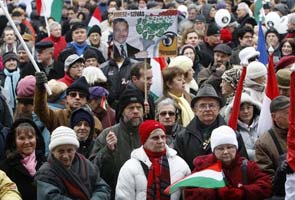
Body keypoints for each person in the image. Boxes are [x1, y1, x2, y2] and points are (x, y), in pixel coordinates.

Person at [184, 125, 272, 200]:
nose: (225, 152)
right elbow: (189, 193)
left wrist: (242, 192)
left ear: (236, 148)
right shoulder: (203, 168)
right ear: (213, 151)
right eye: (220, 148)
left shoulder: (247, 166)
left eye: (230, 147)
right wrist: (215, 192)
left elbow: (266, 186)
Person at [90, 88, 144, 199]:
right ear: (122, 111)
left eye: (139, 107)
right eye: (131, 108)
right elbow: (93, 169)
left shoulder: (149, 133)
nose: (135, 111)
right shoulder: (107, 134)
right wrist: (108, 150)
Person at [115, 120, 191, 200]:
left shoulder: (180, 164)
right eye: (155, 138)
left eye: (163, 137)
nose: (161, 141)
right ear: (144, 140)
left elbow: (188, 194)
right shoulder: (130, 167)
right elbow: (123, 197)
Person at [35, 126, 111, 200]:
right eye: (61, 151)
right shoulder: (45, 173)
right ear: (53, 151)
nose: (65, 156)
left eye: (69, 150)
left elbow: (102, 187)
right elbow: (50, 196)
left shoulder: (86, 164)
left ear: (75, 150)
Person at [175, 84, 225, 169]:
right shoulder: (183, 137)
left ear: (218, 108)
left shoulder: (231, 133)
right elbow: (179, 168)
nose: (207, 109)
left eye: (211, 105)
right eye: (202, 106)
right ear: (194, 110)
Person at [34, 73, 103, 134]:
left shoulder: (95, 121)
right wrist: (40, 88)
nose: (77, 97)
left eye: (81, 95)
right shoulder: (58, 116)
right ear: (66, 98)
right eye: (73, 94)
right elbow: (40, 110)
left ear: (86, 100)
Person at [0, 118, 46, 200]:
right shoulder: (5, 167)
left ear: (36, 139)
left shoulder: (45, 163)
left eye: (30, 137)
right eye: (22, 138)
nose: (27, 142)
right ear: (14, 141)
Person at [255, 96, 290, 180]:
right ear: (274, 117)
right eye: (288, 113)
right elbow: (267, 178)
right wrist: (281, 172)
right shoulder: (263, 143)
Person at [225, 92, 261, 160]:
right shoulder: (232, 130)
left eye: (248, 108)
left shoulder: (262, 124)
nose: (246, 111)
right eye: (241, 109)